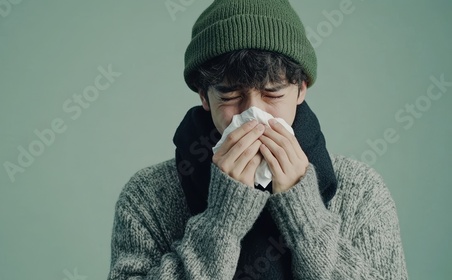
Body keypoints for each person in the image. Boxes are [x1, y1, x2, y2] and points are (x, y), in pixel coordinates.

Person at [107, 0, 408, 279]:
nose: (253, 112)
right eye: (229, 94)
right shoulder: (148, 196)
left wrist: (306, 216)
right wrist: (221, 221)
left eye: (273, 92)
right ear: (204, 96)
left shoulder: (361, 192)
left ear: (301, 89)